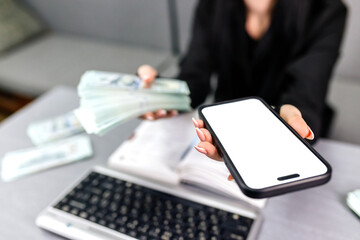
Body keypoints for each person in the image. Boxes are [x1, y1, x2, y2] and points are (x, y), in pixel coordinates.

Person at [137, 0, 347, 164]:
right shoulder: (212, 4)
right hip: (226, 124)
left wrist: (294, 121)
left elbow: (305, 98)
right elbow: (194, 80)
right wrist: (161, 93)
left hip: (283, 134)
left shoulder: (327, 11)